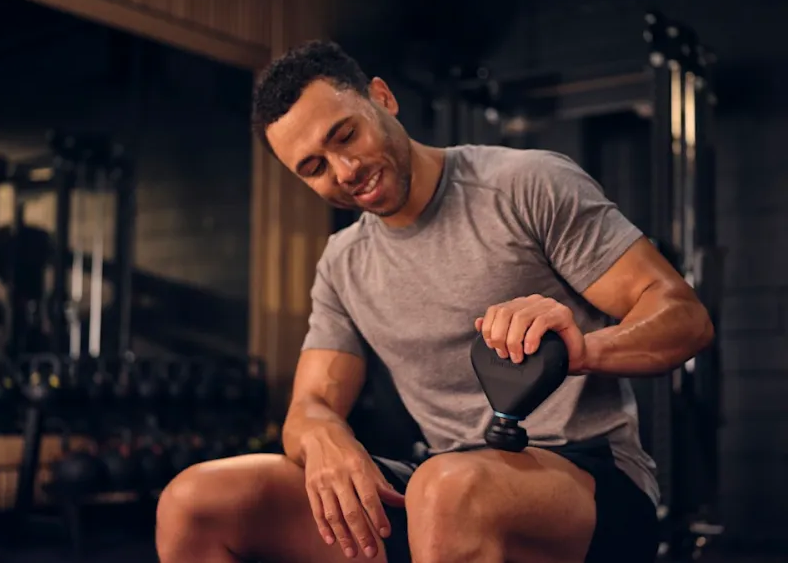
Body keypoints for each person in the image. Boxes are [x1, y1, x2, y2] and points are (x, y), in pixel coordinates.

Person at [155, 41, 714, 563]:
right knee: (195, 502)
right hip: (440, 486)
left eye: (345, 135)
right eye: (314, 167)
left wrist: (580, 349)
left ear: (382, 98)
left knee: (445, 487)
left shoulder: (526, 186)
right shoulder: (344, 263)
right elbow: (310, 406)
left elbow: (684, 317)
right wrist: (324, 436)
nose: (345, 172)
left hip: (588, 479)